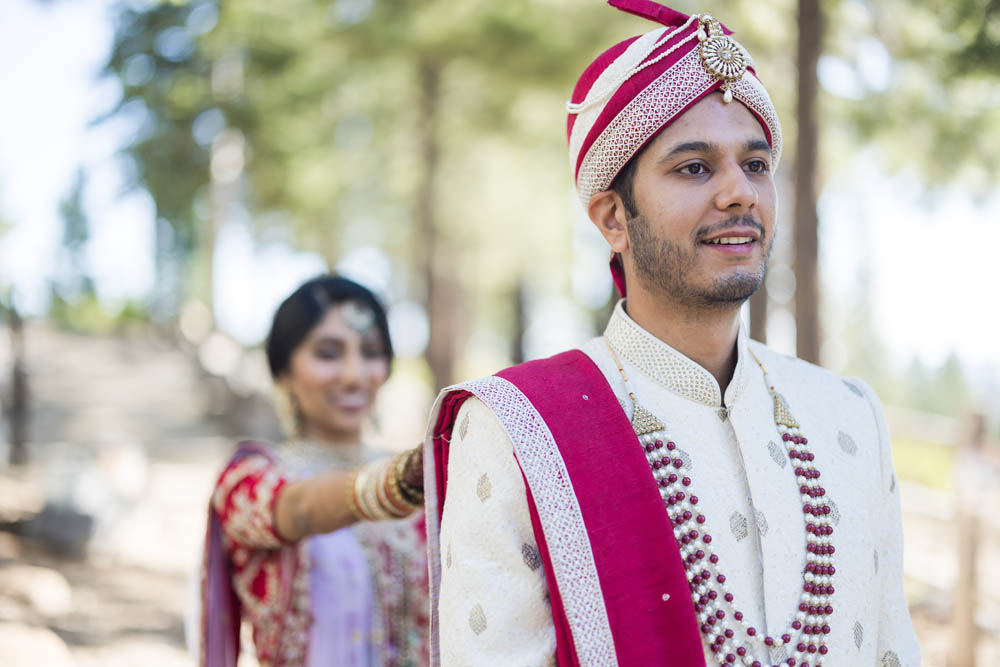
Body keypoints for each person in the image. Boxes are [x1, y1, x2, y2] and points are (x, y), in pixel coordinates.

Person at [423, 2, 920, 666]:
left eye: (757, 164)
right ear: (612, 218)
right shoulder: (518, 429)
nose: (739, 192)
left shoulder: (850, 416)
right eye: (695, 167)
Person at [200, 275, 428, 667]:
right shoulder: (250, 479)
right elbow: (299, 508)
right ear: (284, 370)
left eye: (371, 352)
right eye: (328, 353)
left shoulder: (429, 487)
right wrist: (396, 483)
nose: (354, 375)